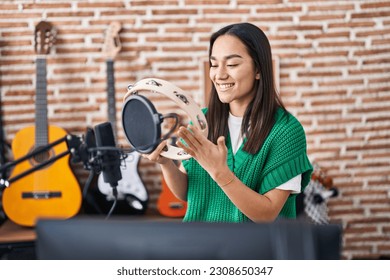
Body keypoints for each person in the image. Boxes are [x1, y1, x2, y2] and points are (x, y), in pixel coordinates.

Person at [143, 22, 313, 223]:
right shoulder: (201, 121)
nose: (219, 74)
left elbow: (267, 213)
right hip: (200, 248)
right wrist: (165, 164)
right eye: (214, 64)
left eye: (231, 64)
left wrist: (221, 173)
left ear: (258, 69)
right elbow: (187, 191)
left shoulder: (285, 131)